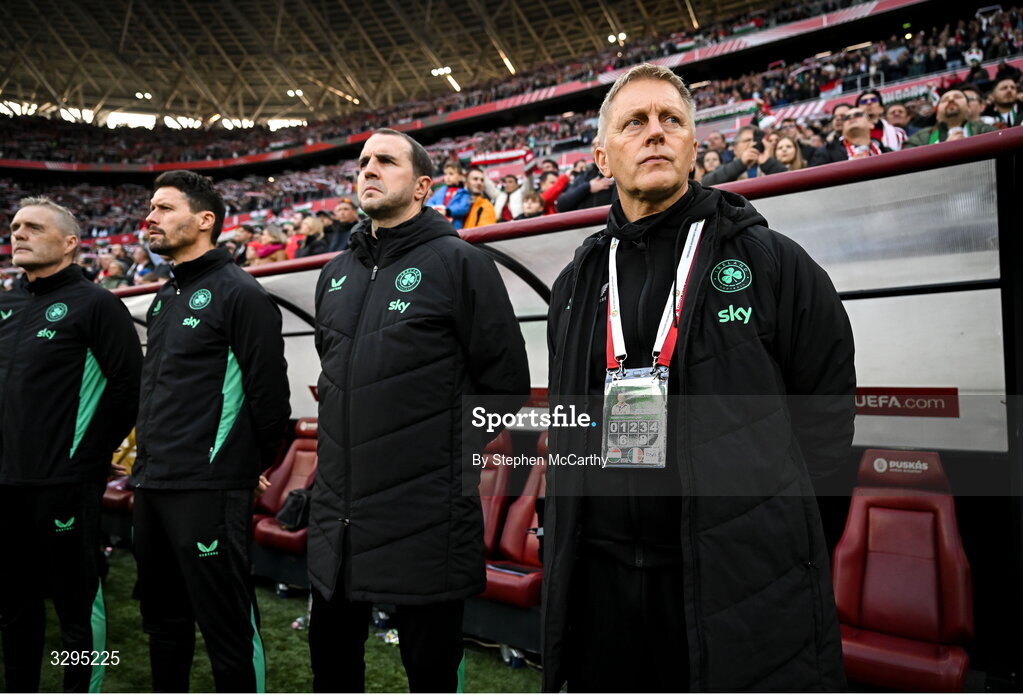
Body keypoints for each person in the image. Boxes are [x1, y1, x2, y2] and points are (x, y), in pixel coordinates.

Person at [544, 63, 854, 692]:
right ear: (603, 157)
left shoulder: (771, 261)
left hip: (728, 579)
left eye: (671, 121)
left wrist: (779, 541)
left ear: (694, 147)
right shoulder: (574, 284)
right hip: (601, 583)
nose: (655, 133)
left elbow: (826, 423)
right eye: (635, 122)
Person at [310, 128, 529, 693]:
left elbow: (504, 387)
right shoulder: (334, 274)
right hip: (339, 519)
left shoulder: (461, 263)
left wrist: (443, 460)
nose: (368, 169)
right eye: (362, 162)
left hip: (427, 516)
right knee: (332, 667)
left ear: (423, 186)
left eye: (385, 160)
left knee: (429, 675)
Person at [131, 170, 290, 693]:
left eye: (163, 208)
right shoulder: (165, 296)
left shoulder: (240, 292)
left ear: (204, 221)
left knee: (227, 631)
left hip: (208, 485)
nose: (149, 218)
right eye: (150, 208)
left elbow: (271, 401)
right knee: (164, 624)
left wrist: (241, 465)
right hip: (154, 483)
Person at [0, 197, 141, 693]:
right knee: (14, 603)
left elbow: (129, 390)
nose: (19, 233)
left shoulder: (97, 304)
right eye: (16, 226)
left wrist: (84, 455)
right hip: (6, 483)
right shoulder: (6, 305)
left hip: (64, 485)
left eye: (33, 227)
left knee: (75, 604)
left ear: (69, 244)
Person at [904, 88, 996, 147]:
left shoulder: (985, 129)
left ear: (968, 108)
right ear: (937, 113)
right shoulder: (920, 137)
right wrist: (945, 149)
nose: (951, 100)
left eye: (957, 97)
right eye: (945, 100)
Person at [702, 125, 786, 184]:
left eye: (756, 140)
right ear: (735, 149)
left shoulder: (771, 163)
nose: (752, 144)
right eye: (747, 140)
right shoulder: (726, 168)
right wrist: (741, 163)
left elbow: (789, 180)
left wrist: (768, 163)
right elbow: (707, 182)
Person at [810, 107, 890, 166]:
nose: (851, 118)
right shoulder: (826, 152)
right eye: (846, 118)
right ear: (843, 126)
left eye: (858, 115)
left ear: (871, 124)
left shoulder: (887, 152)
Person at [425, 163, 472, 229]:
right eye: (445, 174)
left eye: (451, 174)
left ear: (461, 176)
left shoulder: (464, 193)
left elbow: (463, 208)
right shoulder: (440, 191)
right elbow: (429, 203)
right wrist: (435, 209)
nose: (447, 177)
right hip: (437, 224)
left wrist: (447, 211)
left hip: (454, 227)